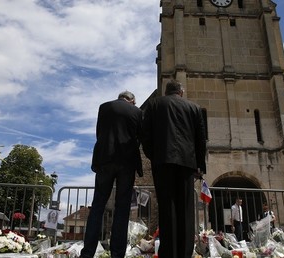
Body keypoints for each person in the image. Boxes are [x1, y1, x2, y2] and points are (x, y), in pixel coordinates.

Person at [142, 80, 207, 258]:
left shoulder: (155, 104)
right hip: (187, 163)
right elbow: (201, 139)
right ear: (181, 92)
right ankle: (185, 253)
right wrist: (200, 165)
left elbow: (145, 134)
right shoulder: (193, 107)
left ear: (166, 91)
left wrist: (154, 156)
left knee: (166, 206)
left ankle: (168, 253)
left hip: (162, 161)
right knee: (185, 208)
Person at [81, 91, 143, 258]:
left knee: (98, 206)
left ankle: (87, 253)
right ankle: (117, 254)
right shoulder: (137, 112)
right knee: (122, 209)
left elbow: (99, 132)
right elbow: (139, 137)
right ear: (132, 100)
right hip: (126, 162)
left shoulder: (104, 107)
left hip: (105, 159)